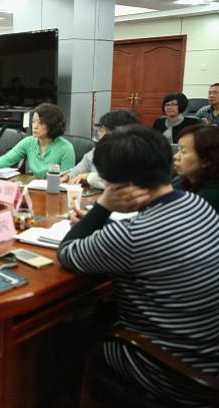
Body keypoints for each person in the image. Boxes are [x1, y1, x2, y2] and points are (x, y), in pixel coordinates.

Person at [58, 125, 219, 407]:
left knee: (64, 332)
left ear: (121, 185)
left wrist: (103, 206)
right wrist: (105, 224)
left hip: (174, 374)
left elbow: (68, 252)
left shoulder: (133, 236)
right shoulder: (197, 204)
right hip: (208, 358)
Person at [0, 103, 74, 178]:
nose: (35, 126)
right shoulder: (29, 142)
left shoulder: (66, 148)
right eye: (33, 121)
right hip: (33, 188)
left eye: (40, 123)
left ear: (52, 125)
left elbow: (66, 179)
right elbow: (9, 158)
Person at [61, 109, 140, 189]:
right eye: (101, 130)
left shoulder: (135, 155)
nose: (101, 135)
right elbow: (78, 171)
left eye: (103, 130)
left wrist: (88, 176)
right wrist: (68, 176)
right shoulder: (97, 151)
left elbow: (118, 182)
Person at [173, 124, 219, 213]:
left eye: (183, 151)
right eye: (178, 150)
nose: (175, 156)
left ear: (206, 161)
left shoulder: (209, 197)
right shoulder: (183, 182)